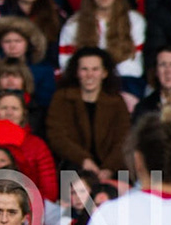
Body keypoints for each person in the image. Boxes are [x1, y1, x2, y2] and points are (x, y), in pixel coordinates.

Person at [45, 48, 130, 183]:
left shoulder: (117, 102)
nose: (89, 74)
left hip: (112, 170)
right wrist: (84, 160)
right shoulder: (62, 98)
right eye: (84, 69)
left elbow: (124, 139)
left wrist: (109, 168)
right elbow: (57, 136)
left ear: (104, 73)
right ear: (77, 72)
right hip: (75, 166)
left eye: (95, 69)